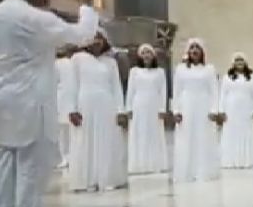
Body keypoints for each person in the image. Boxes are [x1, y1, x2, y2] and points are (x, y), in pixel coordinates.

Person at [0, 0, 98, 207]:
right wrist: (87, 7)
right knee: (32, 151)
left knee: (3, 151)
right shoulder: (33, 18)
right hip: (28, 95)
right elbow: (83, 35)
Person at [66, 28, 128, 192]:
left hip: (107, 105)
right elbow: (71, 85)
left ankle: (107, 178)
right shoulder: (77, 59)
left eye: (100, 38)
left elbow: (116, 88)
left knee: (107, 140)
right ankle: (86, 180)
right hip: (84, 105)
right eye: (93, 38)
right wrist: (71, 109)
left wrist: (120, 111)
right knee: (84, 139)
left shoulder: (111, 62)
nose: (96, 41)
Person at [172, 38, 221, 183]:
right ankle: (186, 171)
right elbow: (177, 91)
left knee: (203, 137)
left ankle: (203, 171)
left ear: (202, 52)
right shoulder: (180, 69)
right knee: (186, 137)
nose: (194, 51)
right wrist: (176, 110)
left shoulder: (209, 69)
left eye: (197, 48)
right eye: (191, 48)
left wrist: (214, 109)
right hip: (186, 106)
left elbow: (214, 90)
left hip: (204, 106)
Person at [124, 43, 169, 174]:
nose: (146, 55)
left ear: (153, 55)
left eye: (148, 52)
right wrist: (129, 108)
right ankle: (139, 164)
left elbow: (163, 91)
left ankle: (155, 163)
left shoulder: (160, 72)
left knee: (154, 133)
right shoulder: (134, 71)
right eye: (143, 53)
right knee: (139, 133)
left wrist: (162, 109)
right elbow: (130, 91)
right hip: (138, 106)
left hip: (154, 106)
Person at [217, 53, 253, 169]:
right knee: (231, 133)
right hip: (231, 110)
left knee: (246, 133)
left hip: (246, 110)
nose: (239, 62)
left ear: (245, 62)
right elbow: (223, 94)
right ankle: (230, 161)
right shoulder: (227, 77)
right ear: (233, 63)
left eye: (241, 60)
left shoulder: (251, 77)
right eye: (237, 60)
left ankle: (246, 160)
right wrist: (221, 110)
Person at [54, 46, 76, 169]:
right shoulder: (72, 62)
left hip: (62, 98)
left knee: (63, 131)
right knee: (67, 130)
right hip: (64, 98)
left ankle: (65, 157)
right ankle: (67, 157)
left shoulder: (56, 65)